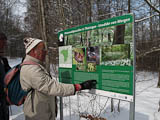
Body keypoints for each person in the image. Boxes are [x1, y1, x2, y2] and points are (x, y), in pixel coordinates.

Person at [20, 37, 97, 120]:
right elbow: (51, 87)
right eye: (43, 50)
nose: (45, 52)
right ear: (33, 51)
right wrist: (79, 86)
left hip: (41, 113)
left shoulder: (35, 65)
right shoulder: (31, 69)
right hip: (37, 115)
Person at [0, 32, 11, 120]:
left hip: (3, 100)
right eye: (2, 43)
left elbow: (10, 74)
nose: (4, 46)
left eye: (5, 43)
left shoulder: (3, 60)